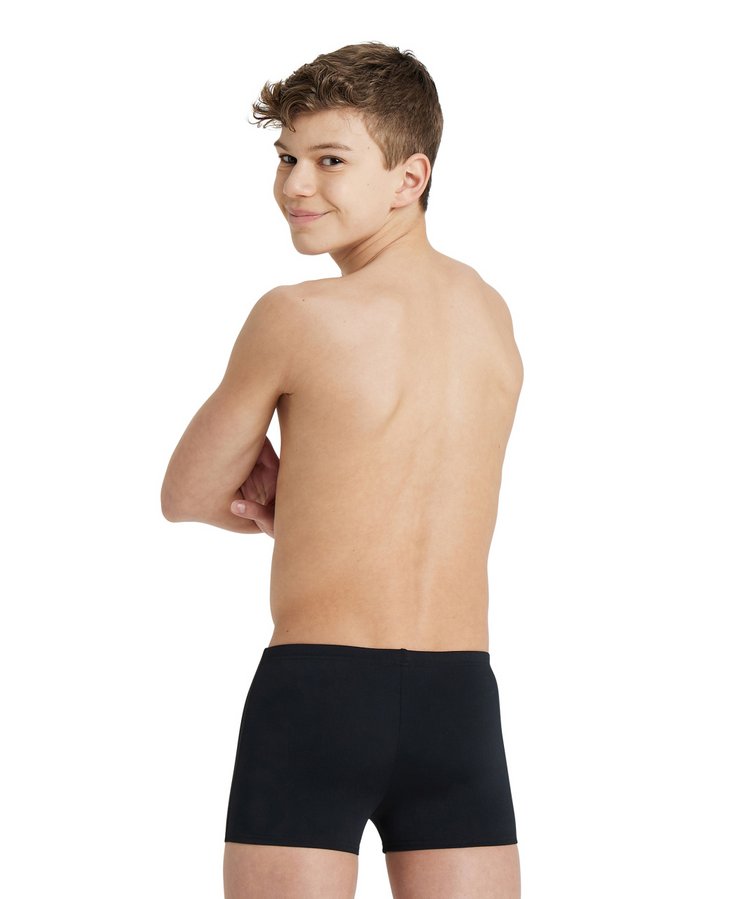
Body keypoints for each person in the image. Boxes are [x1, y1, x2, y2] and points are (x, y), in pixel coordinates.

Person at [161, 41, 524, 899]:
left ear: (410, 177)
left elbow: (187, 493)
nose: (296, 184)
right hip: (459, 698)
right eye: (286, 157)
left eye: (330, 160)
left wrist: (276, 497)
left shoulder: (295, 315)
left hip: (318, 691)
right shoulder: (490, 313)